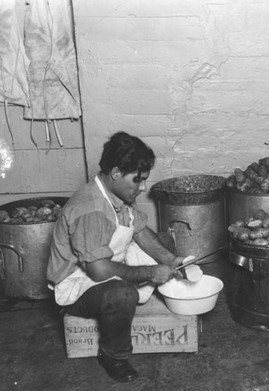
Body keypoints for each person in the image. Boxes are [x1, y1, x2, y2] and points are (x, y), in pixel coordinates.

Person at [47, 131, 194, 382]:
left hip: (104, 262)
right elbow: (98, 271)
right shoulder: (91, 209)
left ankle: (149, 286)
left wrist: (171, 261)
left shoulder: (117, 194)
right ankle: (112, 356)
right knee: (122, 294)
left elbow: (140, 231)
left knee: (165, 243)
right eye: (138, 180)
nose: (143, 187)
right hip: (77, 286)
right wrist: (151, 273)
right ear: (116, 173)